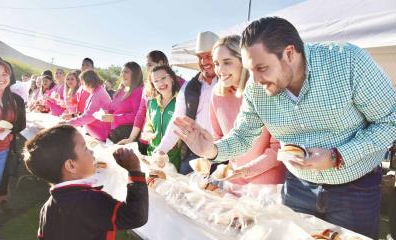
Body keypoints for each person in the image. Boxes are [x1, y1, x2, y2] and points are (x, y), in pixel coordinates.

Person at [173, 17, 396, 239]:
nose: (255, 80)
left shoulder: (348, 61)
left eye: (262, 68)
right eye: (251, 70)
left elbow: (390, 120)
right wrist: (211, 150)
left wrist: (337, 156)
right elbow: (243, 135)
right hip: (297, 187)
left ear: (289, 53)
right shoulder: (255, 87)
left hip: (356, 188)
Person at [23, 125, 148, 240]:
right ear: (71, 165)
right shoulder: (91, 200)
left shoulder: (46, 209)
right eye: (85, 148)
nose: (92, 152)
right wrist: (134, 171)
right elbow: (135, 216)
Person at [209, 35, 285, 192]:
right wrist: (208, 155)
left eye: (227, 62)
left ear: (244, 62)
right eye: (216, 64)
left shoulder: (267, 91)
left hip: (265, 186)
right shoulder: (216, 95)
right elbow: (218, 138)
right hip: (232, 181)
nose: (220, 70)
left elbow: (278, 148)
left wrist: (246, 170)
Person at [154, 31, 219, 175]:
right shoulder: (188, 87)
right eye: (200, 57)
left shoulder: (231, 83)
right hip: (195, 154)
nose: (204, 62)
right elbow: (178, 120)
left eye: (208, 56)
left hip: (225, 155)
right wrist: (161, 149)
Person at [118, 50, 185, 155]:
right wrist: (131, 138)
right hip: (148, 141)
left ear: (161, 63)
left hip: (173, 147)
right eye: (146, 66)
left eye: (150, 65)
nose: (147, 69)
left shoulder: (182, 85)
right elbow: (141, 114)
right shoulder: (148, 88)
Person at [0, 59, 26, 214]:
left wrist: (9, 130)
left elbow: (21, 125)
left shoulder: (16, 100)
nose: (0, 77)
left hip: (4, 151)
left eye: (4, 74)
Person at [143, 65, 182, 171]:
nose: (161, 83)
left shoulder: (181, 101)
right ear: (153, 84)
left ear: (171, 78)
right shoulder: (152, 102)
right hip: (152, 156)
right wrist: (147, 132)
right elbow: (149, 124)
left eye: (164, 78)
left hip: (173, 159)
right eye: (156, 81)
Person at [100, 62, 143, 143]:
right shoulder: (121, 90)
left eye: (126, 72)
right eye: (122, 72)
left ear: (135, 74)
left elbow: (137, 116)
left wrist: (114, 118)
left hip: (125, 136)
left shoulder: (138, 91)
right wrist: (107, 112)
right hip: (113, 133)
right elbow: (114, 109)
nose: (122, 74)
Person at [63, 70, 111, 141]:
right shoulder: (95, 91)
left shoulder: (97, 94)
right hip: (94, 132)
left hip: (101, 133)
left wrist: (67, 124)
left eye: (82, 83)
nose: (82, 86)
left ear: (88, 82)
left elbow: (88, 117)